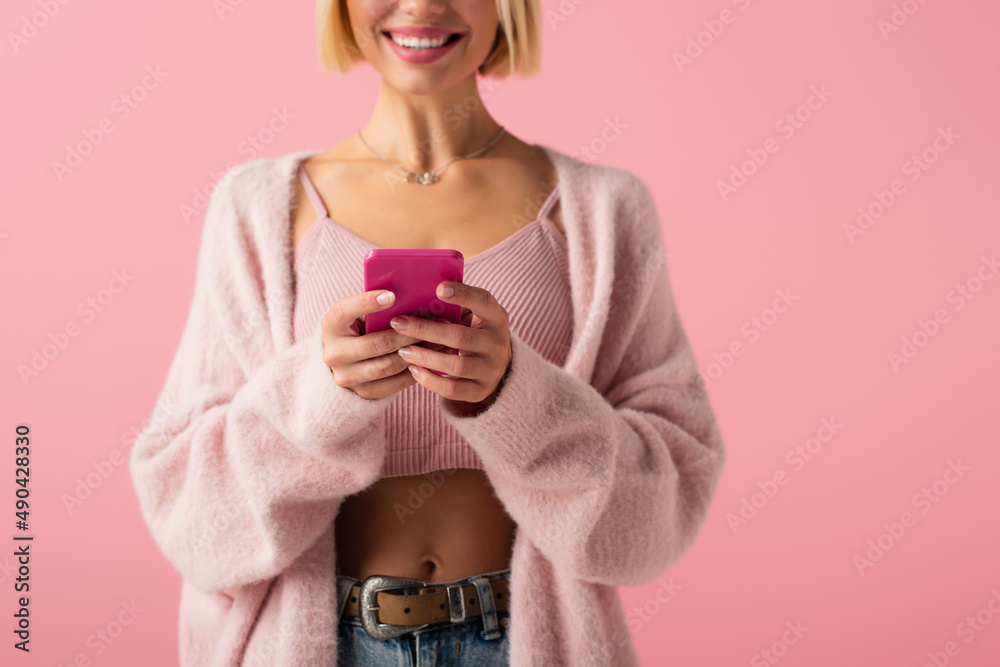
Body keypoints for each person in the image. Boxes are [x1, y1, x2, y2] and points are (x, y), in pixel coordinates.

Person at [128, 0, 727, 664]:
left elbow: (670, 493)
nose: (420, 4)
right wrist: (319, 395)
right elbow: (186, 503)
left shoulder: (606, 211)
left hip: (523, 643)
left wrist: (513, 396)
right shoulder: (255, 207)